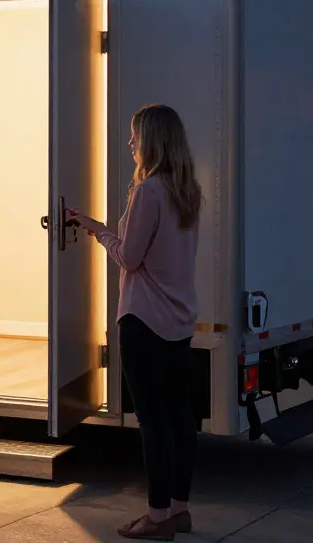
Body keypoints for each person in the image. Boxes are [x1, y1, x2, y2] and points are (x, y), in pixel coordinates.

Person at [68, 103, 202, 541]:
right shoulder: (187, 190)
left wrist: (101, 233)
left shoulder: (147, 191)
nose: (130, 143)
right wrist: (100, 226)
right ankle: (179, 510)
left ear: (153, 141)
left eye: (135, 135)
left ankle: (157, 517)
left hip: (144, 320)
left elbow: (129, 256)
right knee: (180, 420)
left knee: (153, 424)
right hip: (180, 321)